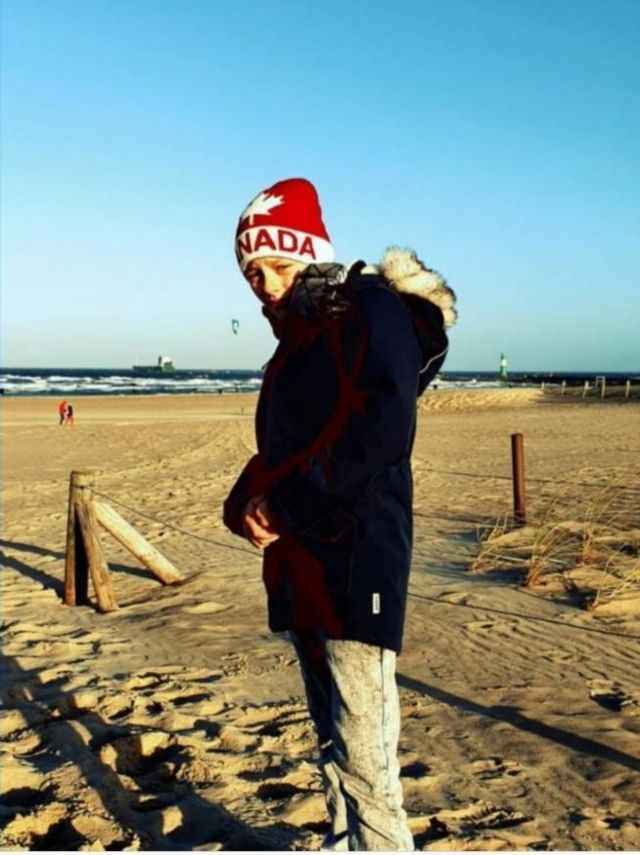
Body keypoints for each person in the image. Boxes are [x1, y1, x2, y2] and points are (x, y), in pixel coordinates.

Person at [223, 178, 457, 851]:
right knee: (331, 738)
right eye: (252, 273)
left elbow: (380, 431)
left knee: (366, 758)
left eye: (276, 265)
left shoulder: (369, 310)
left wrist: (286, 503)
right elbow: (287, 446)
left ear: (308, 252)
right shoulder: (297, 340)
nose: (265, 285)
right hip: (301, 564)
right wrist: (246, 504)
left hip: (357, 560)